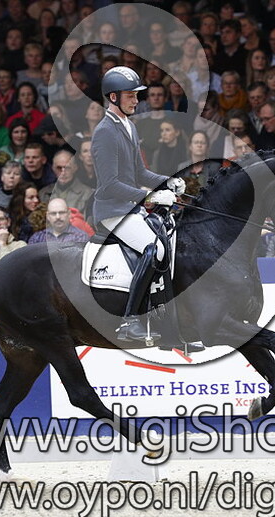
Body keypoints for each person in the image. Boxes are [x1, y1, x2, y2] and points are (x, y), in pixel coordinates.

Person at [90, 66, 182, 342]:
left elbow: (140, 173)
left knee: (170, 240)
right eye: (130, 95)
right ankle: (130, 321)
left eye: (136, 95)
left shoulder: (128, 126)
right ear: (114, 97)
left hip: (129, 208)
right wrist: (151, 197)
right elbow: (110, 185)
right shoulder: (105, 131)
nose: (136, 100)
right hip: (112, 210)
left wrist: (168, 181)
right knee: (154, 249)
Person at [40, 151, 92, 215]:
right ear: (53, 168)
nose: (63, 173)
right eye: (59, 168)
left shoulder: (88, 195)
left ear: (75, 168)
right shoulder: (43, 194)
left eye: (67, 168)